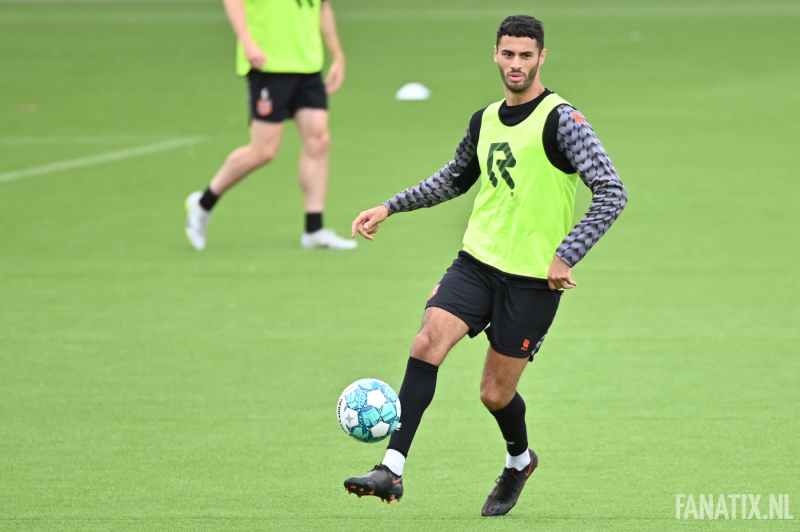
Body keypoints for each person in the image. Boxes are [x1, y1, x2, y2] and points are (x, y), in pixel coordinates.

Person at [344, 15, 628, 516]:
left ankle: (519, 461)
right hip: (476, 263)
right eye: (507, 54)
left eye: (525, 55)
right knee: (427, 341)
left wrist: (567, 252)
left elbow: (611, 190)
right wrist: (391, 205)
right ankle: (391, 469)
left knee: (495, 394)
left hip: (532, 281)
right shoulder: (486, 119)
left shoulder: (563, 120)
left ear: (542, 57)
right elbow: (453, 178)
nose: (515, 64)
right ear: (495, 55)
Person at [185, 0, 356, 251]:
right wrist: (247, 41)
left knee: (319, 140)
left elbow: (322, 6)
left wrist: (337, 54)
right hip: (268, 63)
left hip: (308, 64)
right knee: (263, 150)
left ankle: (314, 229)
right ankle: (203, 204)